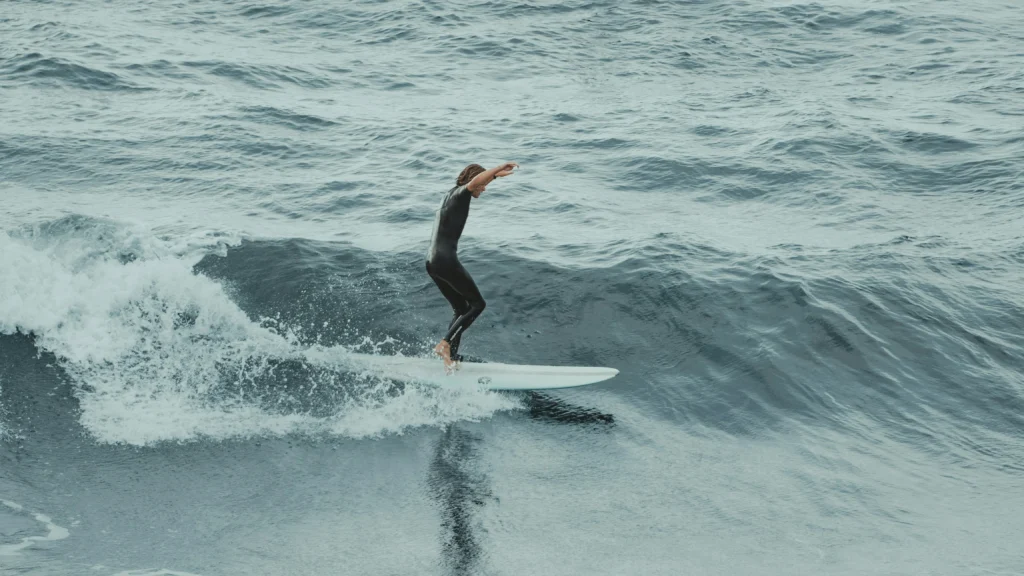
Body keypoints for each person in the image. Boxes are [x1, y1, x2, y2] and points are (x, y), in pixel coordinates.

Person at [427, 161, 518, 371]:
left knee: (460, 309)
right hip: (445, 260)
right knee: (478, 305)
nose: (484, 189)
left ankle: (451, 358)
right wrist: (497, 168)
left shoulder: (449, 196)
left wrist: (494, 177)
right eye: (483, 184)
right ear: (473, 180)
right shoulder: (462, 193)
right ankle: (444, 344)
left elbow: (478, 181)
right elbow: (475, 182)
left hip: (432, 262)